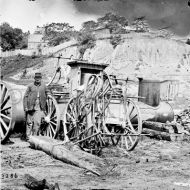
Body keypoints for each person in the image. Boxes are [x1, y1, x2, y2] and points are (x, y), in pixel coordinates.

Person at [23, 72, 50, 140]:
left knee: (37, 123)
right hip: (30, 105)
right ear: (34, 78)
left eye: (39, 78)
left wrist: (49, 95)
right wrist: (25, 107)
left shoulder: (44, 86)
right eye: (36, 78)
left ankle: (34, 138)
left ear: (41, 79)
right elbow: (25, 96)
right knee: (29, 123)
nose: (38, 79)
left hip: (39, 105)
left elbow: (47, 92)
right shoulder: (30, 86)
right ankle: (28, 138)